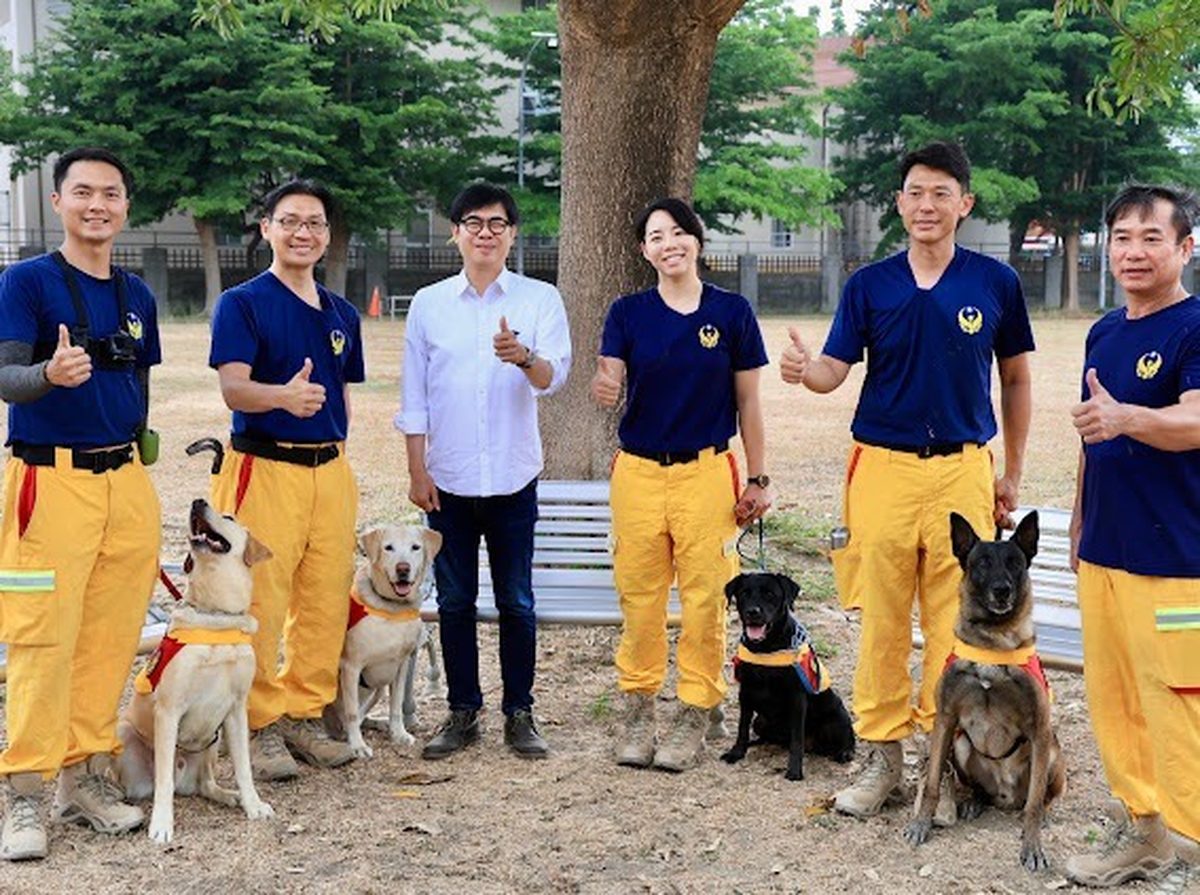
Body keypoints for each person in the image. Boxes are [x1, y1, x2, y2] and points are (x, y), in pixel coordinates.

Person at [780, 141, 1034, 817]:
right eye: (916, 192)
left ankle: (942, 764)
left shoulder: (994, 283)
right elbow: (835, 368)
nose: (927, 205)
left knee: (956, 626)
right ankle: (883, 758)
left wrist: (1010, 471)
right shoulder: (871, 285)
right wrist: (807, 373)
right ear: (899, 203)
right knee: (884, 622)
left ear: (964, 204)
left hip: (960, 470)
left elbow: (1014, 377)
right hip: (883, 469)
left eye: (941, 193)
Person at [0, 147, 162, 860]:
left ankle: (84, 771)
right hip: (51, 481)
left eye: (112, 194)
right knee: (43, 637)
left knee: (109, 634)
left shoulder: (138, 294)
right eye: (84, 192)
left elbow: (141, 383)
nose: (98, 205)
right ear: (59, 201)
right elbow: (6, 376)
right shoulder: (26, 282)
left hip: (124, 482)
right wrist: (47, 371)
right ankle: (25, 791)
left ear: (126, 206)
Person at [591, 197, 771, 772]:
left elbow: (749, 401)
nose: (669, 244)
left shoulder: (733, 312)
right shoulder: (627, 313)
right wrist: (603, 384)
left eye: (678, 233)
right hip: (639, 473)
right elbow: (609, 375)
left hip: (706, 473)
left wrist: (760, 478)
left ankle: (696, 708)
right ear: (644, 251)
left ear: (697, 240)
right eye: (655, 237)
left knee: (704, 600)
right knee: (640, 598)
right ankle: (639, 706)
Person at [399, 183, 571, 760]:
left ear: (512, 234)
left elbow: (554, 377)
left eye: (497, 224)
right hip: (446, 481)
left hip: (513, 478)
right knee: (453, 601)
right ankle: (462, 710)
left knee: (518, 600)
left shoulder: (539, 299)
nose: (485, 233)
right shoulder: (429, 304)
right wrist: (417, 470)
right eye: (473, 222)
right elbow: (414, 395)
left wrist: (523, 356)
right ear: (455, 232)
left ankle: (519, 712)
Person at [1064, 184, 1199, 891]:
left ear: (1185, 247)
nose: (1134, 250)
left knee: (1178, 699)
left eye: (1152, 237)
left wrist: (1127, 420)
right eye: (1121, 236)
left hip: (1176, 560)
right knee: (1116, 702)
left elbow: (1197, 420)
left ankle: (1193, 848)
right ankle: (1144, 829)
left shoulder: (1195, 326)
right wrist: (1079, 524)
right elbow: (1094, 432)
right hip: (1105, 551)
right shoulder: (1105, 332)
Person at [209, 179, 363, 780]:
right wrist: (283, 398)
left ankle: (303, 712)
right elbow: (233, 387)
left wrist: (335, 442)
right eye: (291, 221)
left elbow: (342, 395)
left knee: (325, 600)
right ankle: (256, 721)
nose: (304, 233)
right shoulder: (244, 303)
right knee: (263, 601)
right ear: (267, 228)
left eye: (315, 224)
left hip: (329, 472)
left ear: (326, 236)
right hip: (265, 467)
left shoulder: (342, 313)